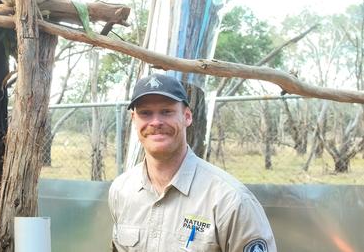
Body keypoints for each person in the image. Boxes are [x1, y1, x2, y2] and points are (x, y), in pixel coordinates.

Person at [109, 74, 276, 252]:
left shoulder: (230, 200)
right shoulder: (121, 191)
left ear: (187, 116)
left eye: (166, 111)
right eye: (145, 113)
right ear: (134, 119)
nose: (156, 122)